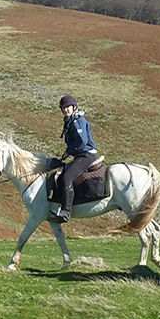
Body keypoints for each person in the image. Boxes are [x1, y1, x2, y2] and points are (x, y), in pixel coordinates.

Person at [54, 95, 97, 223]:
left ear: (74, 107)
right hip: (80, 155)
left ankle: (66, 211)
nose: (66, 110)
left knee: (67, 177)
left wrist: (69, 151)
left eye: (68, 107)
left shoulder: (77, 121)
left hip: (86, 155)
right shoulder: (71, 120)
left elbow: (82, 142)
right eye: (63, 108)